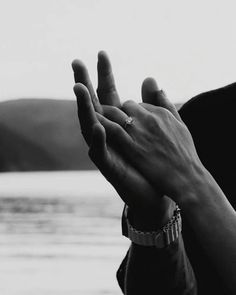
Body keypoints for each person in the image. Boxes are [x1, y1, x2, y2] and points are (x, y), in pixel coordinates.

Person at [72, 52, 236, 295]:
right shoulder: (206, 123)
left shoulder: (187, 158)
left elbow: (191, 179)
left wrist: (194, 184)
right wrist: (155, 216)